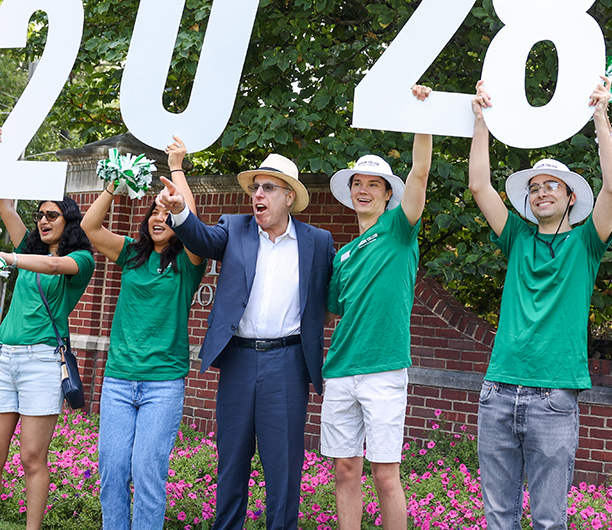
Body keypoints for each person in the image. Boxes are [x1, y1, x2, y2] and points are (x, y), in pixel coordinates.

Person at [466, 78, 612, 530]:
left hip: (554, 396)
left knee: (550, 521)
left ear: (571, 197)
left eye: (552, 185)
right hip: (497, 391)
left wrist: (600, 116)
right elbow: (479, 186)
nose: (541, 192)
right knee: (498, 518)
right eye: (534, 188)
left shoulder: (586, 243)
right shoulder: (517, 237)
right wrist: (480, 121)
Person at [156, 152, 334, 530]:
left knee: (283, 472)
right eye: (256, 187)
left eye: (269, 187)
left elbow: (336, 291)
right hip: (238, 361)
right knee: (231, 464)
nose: (259, 194)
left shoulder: (318, 242)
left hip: (288, 365)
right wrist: (179, 212)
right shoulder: (234, 228)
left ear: (289, 196)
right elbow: (201, 238)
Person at [81, 137, 207, 530]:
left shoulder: (188, 262)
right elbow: (88, 226)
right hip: (118, 380)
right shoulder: (131, 254)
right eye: (154, 211)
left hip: (163, 384)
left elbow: (194, 222)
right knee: (113, 471)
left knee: (148, 474)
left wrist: (176, 168)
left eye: (167, 213)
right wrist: (113, 184)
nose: (159, 217)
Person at [322, 87, 432, 530]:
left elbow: (421, 174)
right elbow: (329, 314)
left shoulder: (398, 230)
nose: (364, 190)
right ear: (350, 194)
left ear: (389, 194)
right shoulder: (341, 255)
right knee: (345, 470)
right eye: (358, 184)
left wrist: (423, 117)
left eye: (374, 185)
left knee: (385, 474)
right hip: (340, 371)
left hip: (385, 369)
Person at [0, 127, 96, 530]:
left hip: (44, 362)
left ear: (68, 220)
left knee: (32, 459)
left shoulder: (80, 258)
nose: (42, 221)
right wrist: (2, 153)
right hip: (4, 359)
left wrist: (9, 256)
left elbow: (52, 265)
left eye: (51, 215)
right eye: (39, 215)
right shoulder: (27, 244)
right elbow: (4, 201)